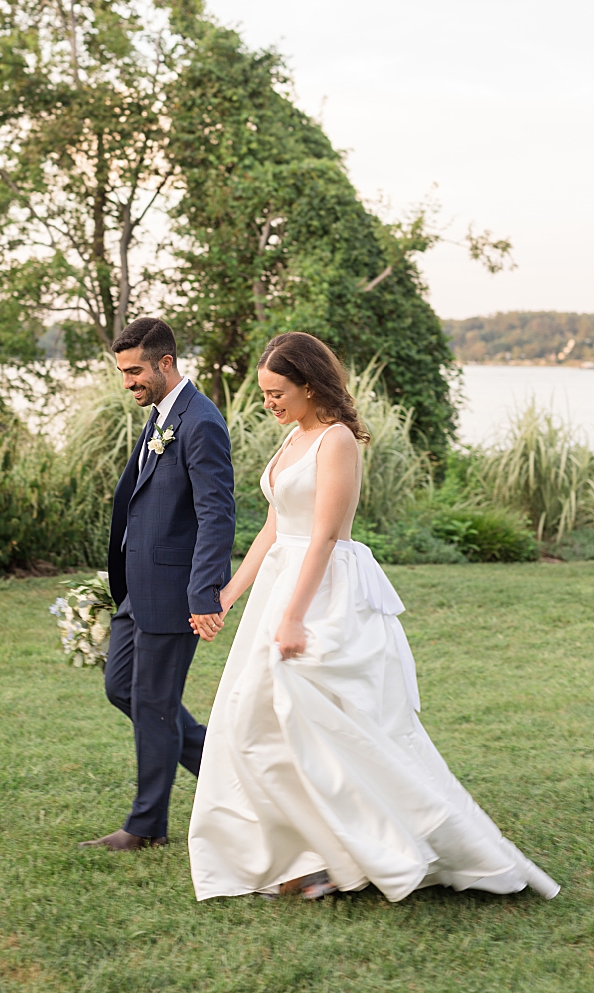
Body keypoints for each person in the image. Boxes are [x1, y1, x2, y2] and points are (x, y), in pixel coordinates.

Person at [188, 331, 559, 901]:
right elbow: (274, 528)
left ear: (309, 385)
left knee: (328, 725)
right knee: (254, 722)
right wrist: (229, 594)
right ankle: (312, 855)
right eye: (264, 393)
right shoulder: (292, 439)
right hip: (279, 585)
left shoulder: (336, 441)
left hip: (322, 592)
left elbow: (324, 538)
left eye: (277, 391)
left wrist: (293, 617)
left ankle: (366, 849)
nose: (269, 402)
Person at [80, 318, 236, 851]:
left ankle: (145, 826)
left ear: (165, 363)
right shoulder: (161, 415)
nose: (128, 382)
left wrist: (204, 593)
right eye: (123, 372)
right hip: (136, 590)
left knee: (153, 702)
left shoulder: (200, 421)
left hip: (174, 593)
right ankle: (228, 774)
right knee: (122, 688)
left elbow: (217, 514)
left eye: (135, 371)